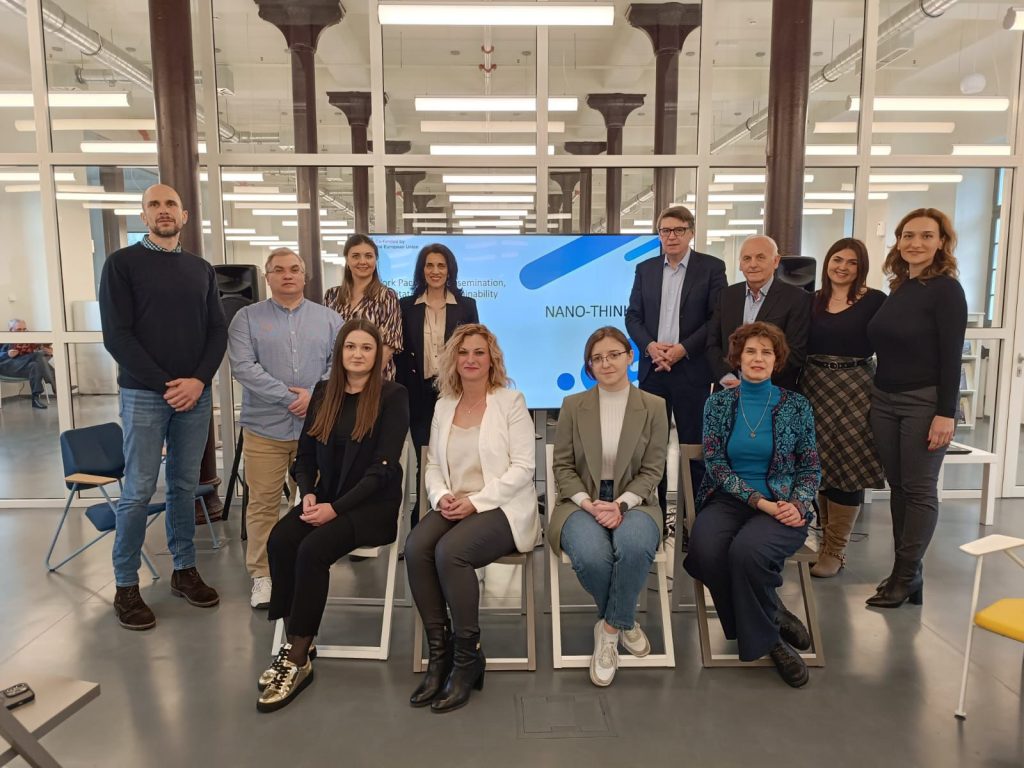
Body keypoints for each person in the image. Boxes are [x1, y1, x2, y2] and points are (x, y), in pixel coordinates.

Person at [257, 318, 410, 713]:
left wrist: (335, 510)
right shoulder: (325, 392)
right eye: (350, 347)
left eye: (366, 348)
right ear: (339, 352)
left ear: (378, 356)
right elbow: (305, 455)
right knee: (281, 540)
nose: (357, 354)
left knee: (313, 550)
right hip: (324, 499)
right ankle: (296, 639)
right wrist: (307, 493)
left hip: (371, 507)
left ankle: (297, 659)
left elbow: (382, 469)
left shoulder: (393, 396)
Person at [98, 183, 227, 631]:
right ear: (144, 215)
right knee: (137, 491)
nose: (163, 210)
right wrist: (167, 385)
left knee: (184, 487)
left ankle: (183, 569)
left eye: (171, 203)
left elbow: (217, 331)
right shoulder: (122, 264)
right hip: (144, 394)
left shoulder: (200, 269)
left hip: (195, 395)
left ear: (184, 215)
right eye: (154, 204)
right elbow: (117, 336)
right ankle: (125, 585)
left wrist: (198, 381)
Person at [404, 323, 539, 713]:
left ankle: (467, 658)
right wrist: (442, 496)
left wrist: (475, 502)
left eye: (479, 352)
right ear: (453, 359)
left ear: (492, 359)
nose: (471, 359)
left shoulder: (511, 402)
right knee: (416, 547)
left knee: (451, 552)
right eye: (463, 352)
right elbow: (432, 465)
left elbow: (523, 468)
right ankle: (440, 654)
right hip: (454, 503)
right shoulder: (444, 405)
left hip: (502, 507)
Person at [684, 321, 821, 688]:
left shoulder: (797, 405)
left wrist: (797, 502)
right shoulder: (718, 403)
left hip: (783, 502)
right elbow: (716, 464)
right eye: (750, 351)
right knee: (704, 551)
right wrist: (758, 501)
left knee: (747, 552)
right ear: (738, 358)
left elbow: (810, 467)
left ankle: (769, 642)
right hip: (729, 498)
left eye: (766, 352)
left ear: (777, 360)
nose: (758, 358)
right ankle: (771, 618)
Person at [549, 327, 668, 687]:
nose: (606, 363)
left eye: (614, 354)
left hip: (635, 500)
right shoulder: (573, 406)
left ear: (630, 356)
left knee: (634, 546)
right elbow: (562, 467)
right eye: (597, 358)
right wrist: (589, 504)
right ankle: (624, 619)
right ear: (589, 366)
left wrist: (620, 503)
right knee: (590, 555)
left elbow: (653, 469)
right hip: (580, 501)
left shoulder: (654, 406)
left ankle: (610, 631)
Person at [227, 248, 343, 610]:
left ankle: (303, 569)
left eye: (294, 269)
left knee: (311, 503)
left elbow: (339, 365)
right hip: (265, 430)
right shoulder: (246, 319)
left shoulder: (330, 319)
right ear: (268, 277)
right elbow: (243, 367)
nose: (287, 275)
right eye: (278, 270)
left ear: (305, 276)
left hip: (317, 429)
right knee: (262, 504)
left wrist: (315, 397)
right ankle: (263, 575)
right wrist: (290, 397)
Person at [866, 208, 967, 609]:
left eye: (926, 236)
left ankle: (906, 575)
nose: (915, 243)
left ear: (942, 242)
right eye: (908, 235)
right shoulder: (901, 287)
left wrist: (946, 413)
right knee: (899, 486)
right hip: (884, 399)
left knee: (920, 488)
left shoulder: (947, 290)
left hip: (924, 402)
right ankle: (906, 572)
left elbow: (951, 357)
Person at [626, 204, 726, 511]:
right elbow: (633, 316)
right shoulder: (645, 269)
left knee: (693, 449)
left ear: (691, 233)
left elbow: (717, 319)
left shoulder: (711, 268)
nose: (671, 236)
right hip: (653, 370)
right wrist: (650, 346)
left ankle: (692, 519)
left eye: (678, 230)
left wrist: (683, 349)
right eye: (665, 231)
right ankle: (653, 517)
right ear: (659, 235)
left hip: (692, 370)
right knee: (651, 449)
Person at [802, 238, 886, 578]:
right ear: (827, 262)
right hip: (814, 386)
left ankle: (836, 550)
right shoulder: (811, 301)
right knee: (819, 464)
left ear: (861, 267)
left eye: (852, 262)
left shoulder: (876, 301)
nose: (843, 267)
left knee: (847, 466)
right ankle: (824, 543)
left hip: (856, 388)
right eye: (837, 259)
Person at [396, 243, 479, 522]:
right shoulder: (405, 306)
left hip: (453, 393)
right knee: (426, 458)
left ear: (449, 270)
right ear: (422, 270)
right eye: (429, 265)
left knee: (453, 457)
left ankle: (454, 515)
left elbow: (475, 349)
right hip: (417, 395)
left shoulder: (466, 306)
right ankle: (422, 520)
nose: (435, 271)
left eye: (441, 265)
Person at [707, 235, 811, 391]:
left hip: (773, 391)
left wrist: (753, 383)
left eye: (760, 257)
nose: (753, 264)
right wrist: (726, 377)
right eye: (747, 258)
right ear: (740, 264)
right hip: (728, 389)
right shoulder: (727, 295)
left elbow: (796, 353)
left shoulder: (796, 298)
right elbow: (712, 343)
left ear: (776, 261)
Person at [324, 234, 402, 381]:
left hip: (375, 379)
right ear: (347, 260)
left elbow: (389, 344)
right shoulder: (331, 295)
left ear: (375, 260)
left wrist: (364, 380)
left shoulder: (387, 296)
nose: (362, 261)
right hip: (338, 378)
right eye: (355, 256)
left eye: (368, 256)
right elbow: (326, 341)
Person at [0, 319, 56, 409]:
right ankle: (55, 385)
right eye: (19, 330)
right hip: (6, 367)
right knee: (38, 355)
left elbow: (41, 359)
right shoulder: (2, 338)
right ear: (11, 330)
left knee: (35, 365)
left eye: (24, 329)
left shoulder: (28, 338)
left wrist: (48, 352)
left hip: (22, 367)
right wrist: (7, 354)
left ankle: (35, 399)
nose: (22, 332)